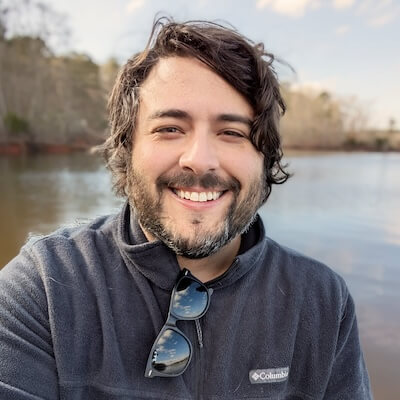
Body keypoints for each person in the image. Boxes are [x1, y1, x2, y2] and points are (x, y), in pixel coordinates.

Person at [0, 17, 372, 399]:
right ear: (127, 149)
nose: (199, 160)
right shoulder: (42, 288)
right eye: (170, 129)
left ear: (265, 159)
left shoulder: (323, 301)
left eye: (232, 133)